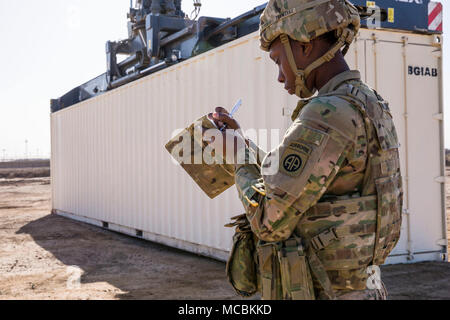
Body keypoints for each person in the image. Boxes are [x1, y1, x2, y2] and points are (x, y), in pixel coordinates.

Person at [210, 0, 403, 300]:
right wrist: (242, 143)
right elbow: (303, 183)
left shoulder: (328, 113)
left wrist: (237, 156)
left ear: (305, 44)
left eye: (277, 60)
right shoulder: (368, 103)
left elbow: (269, 220)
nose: (279, 75)